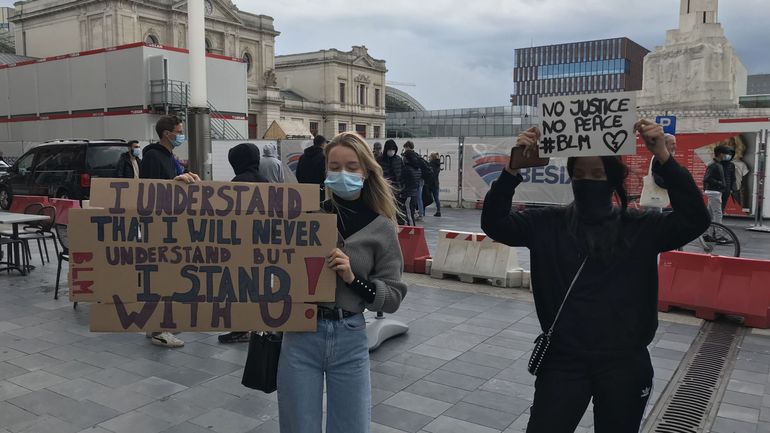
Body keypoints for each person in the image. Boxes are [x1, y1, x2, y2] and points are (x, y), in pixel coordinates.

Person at [481, 120, 709, 433]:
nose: (588, 181)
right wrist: (512, 170)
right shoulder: (546, 224)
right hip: (563, 360)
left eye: (598, 174)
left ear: (613, 179)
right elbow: (495, 223)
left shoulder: (640, 228)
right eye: (580, 174)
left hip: (625, 363)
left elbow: (696, 219)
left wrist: (665, 161)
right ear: (571, 178)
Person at [277, 131, 406, 433]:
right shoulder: (308, 215)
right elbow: (245, 233)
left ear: (366, 171)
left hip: (350, 336)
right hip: (300, 334)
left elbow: (393, 297)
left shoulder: (382, 227)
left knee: (352, 426)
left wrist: (352, 279)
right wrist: (182, 199)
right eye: (334, 167)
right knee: (298, 426)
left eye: (351, 166)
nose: (342, 173)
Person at [140, 115, 201, 348]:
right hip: (159, 226)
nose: (181, 135)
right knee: (162, 277)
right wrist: (174, 182)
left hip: (169, 224)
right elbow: (150, 191)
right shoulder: (155, 157)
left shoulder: (168, 157)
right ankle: (159, 329)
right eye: (179, 131)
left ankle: (155, 325)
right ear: (167, 133)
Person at [217, 143, 268, 344]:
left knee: (239, 289)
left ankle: (240, 328)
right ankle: (259, 325)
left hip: (241, 246)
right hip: (263, 244)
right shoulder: (266, 181)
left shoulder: (238, 182)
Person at [376, 139, 406, 222]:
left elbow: (403, 174)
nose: (391, 151)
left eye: (393, 149)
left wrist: (402, 188)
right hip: (384, 189)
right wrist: (383, 181)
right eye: (390, 149)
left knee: (398, 211)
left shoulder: (398, 159)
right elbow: (375, 174)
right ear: (386, 149)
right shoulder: (379, 160)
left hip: (397, 190)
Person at [402, 141, 432, 220]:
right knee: (418, 197)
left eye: (405, 147)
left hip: (416, 179)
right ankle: (420, 213)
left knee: (417, 197)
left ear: (408, 147)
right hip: (420, 178)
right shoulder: (417, 155)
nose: (405, 149)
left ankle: (420, 214)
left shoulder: (411, 155)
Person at [296, 135, 328, 203]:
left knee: (306, 210)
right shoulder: (324, 157)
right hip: (319, 191)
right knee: (318, 211)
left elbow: (298, 173)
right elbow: (325, 174)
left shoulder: (302, 157)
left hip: (304, 189)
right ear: (323, 144)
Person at [703, 145, 730, 224]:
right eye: (726, 154)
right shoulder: (714, 165)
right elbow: (707, 178)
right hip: (714, 191)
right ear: (721, 154)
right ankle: (718, 234)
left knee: (710, 213)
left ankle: (708, 232)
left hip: (714, 191)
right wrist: (720, 183)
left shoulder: (717, 164)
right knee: (718, 213)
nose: (727, 156)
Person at [401, 148, 421, 226]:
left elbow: (402, 181)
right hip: (414, 194)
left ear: (407, 158)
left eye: (404, 157)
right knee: (411, 214)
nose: (403, 158)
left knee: (409, 216)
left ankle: (412, 231)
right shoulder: (418, 169)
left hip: (408, 195)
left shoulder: (407, 169)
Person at [428, 152, 442, 217]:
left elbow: (430, 173)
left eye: (430, 157)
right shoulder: (438, 164)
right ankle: (438, 211)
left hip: (431, 183)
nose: (429, 158)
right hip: (436, 183)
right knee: (436, 198)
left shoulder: (431, 164)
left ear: (432, 157)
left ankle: (422, 212)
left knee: (424, 197)